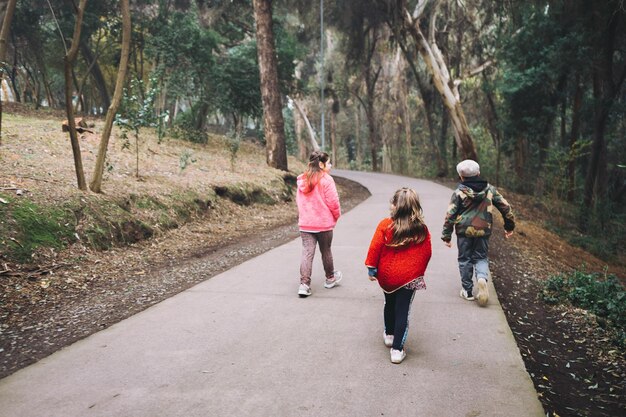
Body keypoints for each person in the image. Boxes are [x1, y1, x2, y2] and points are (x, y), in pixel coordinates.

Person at [365, 188, 432, 364]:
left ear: (395, 206)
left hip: (388, 276)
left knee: (389, 303)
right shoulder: (421, 230)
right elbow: (426, 253)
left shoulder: (385, 225)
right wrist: (417, 272)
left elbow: (374, 248)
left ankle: (389, 334)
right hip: (409, 278)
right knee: (403, 310)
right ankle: (397, 350)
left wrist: (372, 269)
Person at [441, 159, 515, 307]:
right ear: (479, 173)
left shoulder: (459, 192)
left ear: (461, 177)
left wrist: (446, 235)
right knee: (481, 257)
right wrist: (509, 225)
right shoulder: (489, 189)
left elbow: (450, 215)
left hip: (464, 231)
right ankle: (481, 278)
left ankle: (467, 291)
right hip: (483, 229)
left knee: (465, 259)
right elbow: (505, 207)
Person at [296, 151, 342, 298]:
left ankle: (304, 285)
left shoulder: (303, 179)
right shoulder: (327, 180)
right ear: (321, 164)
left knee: (307, 253)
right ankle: (330, 279)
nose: (330, 165)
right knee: (326, 250)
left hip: (306, 223)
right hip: (324, 224)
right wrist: (336, 216)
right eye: (328, 163)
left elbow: (299, 202)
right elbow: (333, 202)